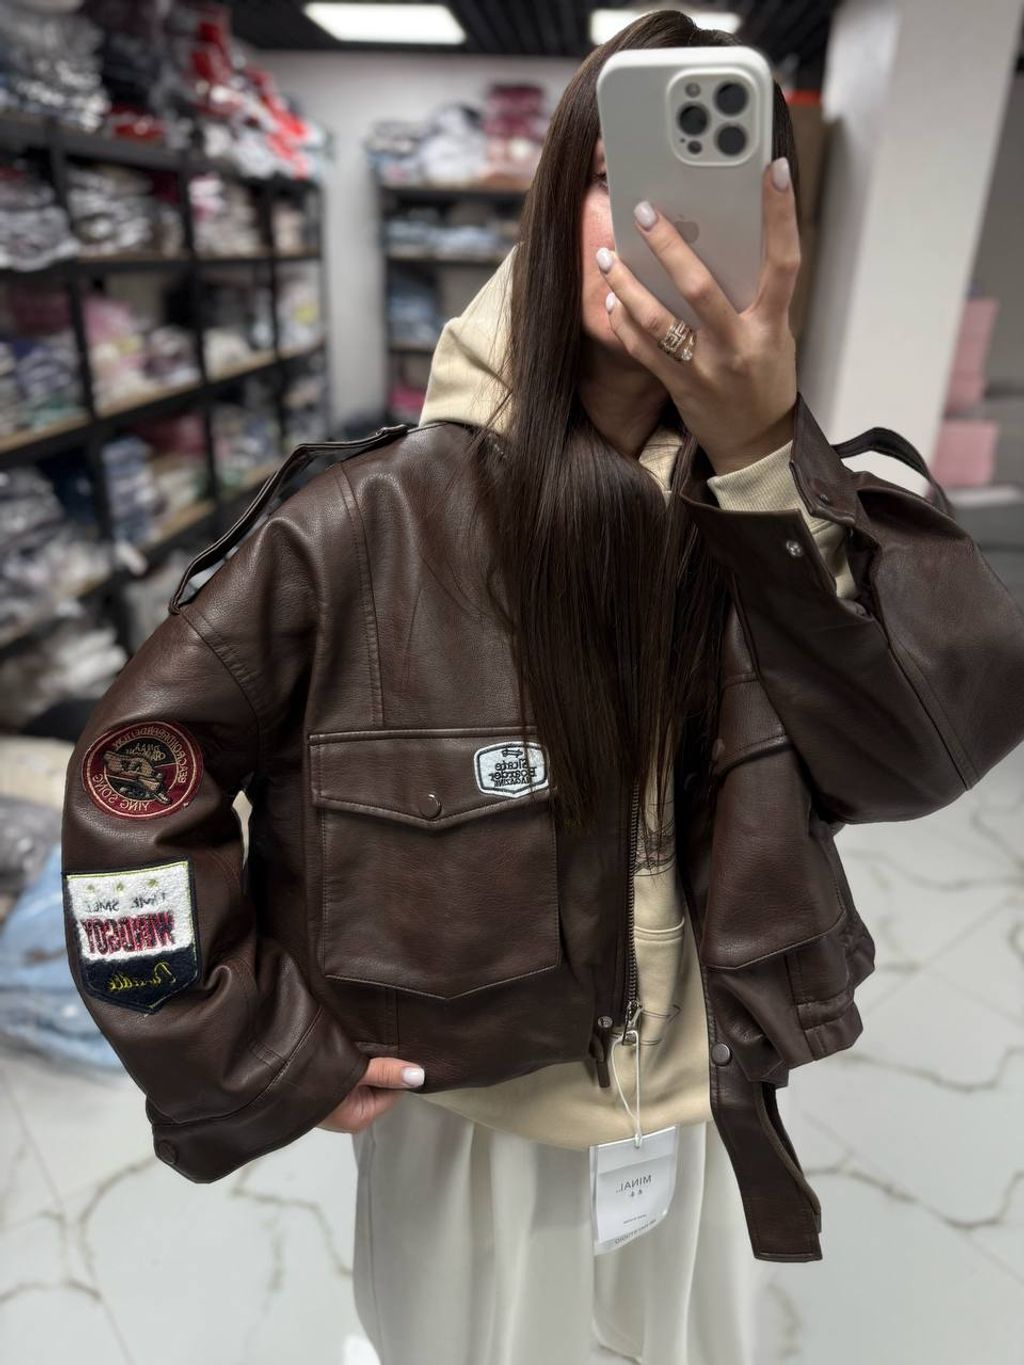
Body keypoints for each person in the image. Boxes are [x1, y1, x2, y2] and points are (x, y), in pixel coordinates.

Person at [331, 13, 850, 1364]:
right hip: (470, 1089)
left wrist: (763, 456)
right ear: (555, 197)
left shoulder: (777, 508)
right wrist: (256, 1041)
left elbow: (904, 746)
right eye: (620, 178)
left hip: (696, 1083)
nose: (667, 228)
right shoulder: (389, 506)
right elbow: (163, 773)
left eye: (723, 191)